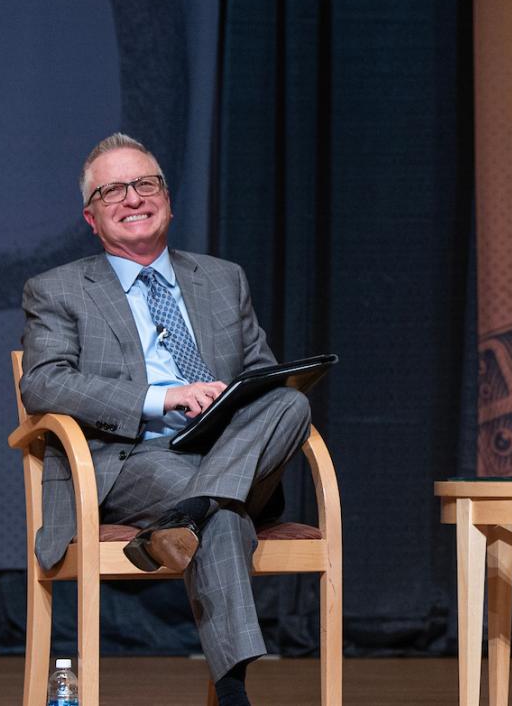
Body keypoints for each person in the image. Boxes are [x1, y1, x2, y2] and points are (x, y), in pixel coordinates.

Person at [19, 133, 311, 706]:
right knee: (224, 516)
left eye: (145, 184)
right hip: (130, 459)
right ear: (91, 218)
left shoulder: (223, 279)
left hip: (227, 449)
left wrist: (237, 399)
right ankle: (233, 693)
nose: (133, 198)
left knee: (291, 403)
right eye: (112, 191)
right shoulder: (58, 289)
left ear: (168, 201)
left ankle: (193, 510)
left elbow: (264, 376)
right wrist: (162, 396)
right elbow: (43, 382)